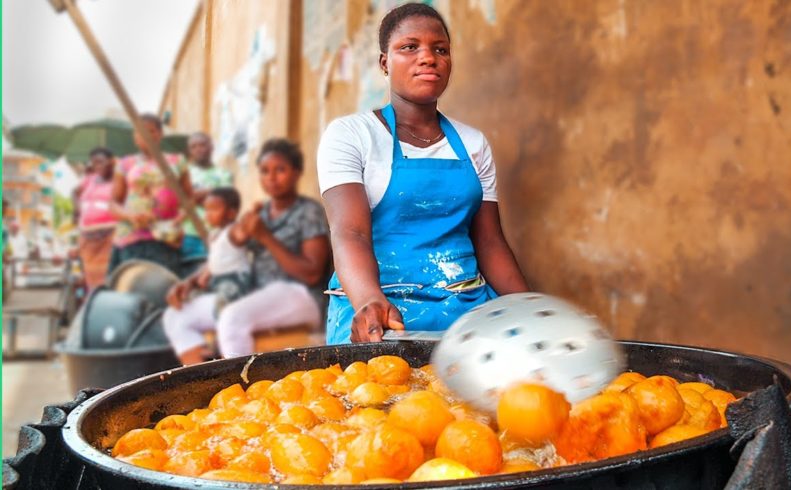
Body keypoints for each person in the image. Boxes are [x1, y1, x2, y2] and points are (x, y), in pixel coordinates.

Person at [317, 3, 528, 344]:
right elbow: (350, 233)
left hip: (466, 311)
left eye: (440, 49)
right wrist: (369, 301)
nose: (428, 57)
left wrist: (527, 307)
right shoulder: (351, 135)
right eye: (409, 47)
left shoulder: (473, 143)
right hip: (380, 308)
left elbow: (489, 240)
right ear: (385, 63)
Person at [163, 139, 331, 365]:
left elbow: (312, 273)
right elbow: (227, 255)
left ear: (296, 173)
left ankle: (238, 391)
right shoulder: (259, 214)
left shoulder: (308, 212)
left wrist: (265, 237)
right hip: (256, 293)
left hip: (301, 296)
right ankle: (197, 379)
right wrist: (192, 282)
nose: (271, 177)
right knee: (177, 315)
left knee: (232, 317)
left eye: (280, 170)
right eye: (264, 171)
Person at [108, 113, 193, 277]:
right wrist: (130, 216)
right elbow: (113, 204)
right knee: (132, 286)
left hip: (166, 236)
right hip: (132, 236)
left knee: (164, 286)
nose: (146, 135)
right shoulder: (125, 163)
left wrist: (179, 219)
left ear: (160, 134)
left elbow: (189, 198)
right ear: (134, 137)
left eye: (151, 131)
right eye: (140, 132)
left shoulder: (177, 161)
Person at [194, 186, 251, 315]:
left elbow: (244, 232)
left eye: (214, 209)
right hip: (218, 279)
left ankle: (224, 332)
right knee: (196, 298)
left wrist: (254, 212)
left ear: (231, 213)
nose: (208, 214)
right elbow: (214, 259)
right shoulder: (213, 234)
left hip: (236, 279)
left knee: (222, 306)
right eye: (206, 209)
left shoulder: (232, 231)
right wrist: (205, 275)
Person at [179, 132, 233, 266]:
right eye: (193, 146)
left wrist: (194, 195)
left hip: (215, 235)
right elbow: (180, 199)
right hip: (187, 234)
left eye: (202, 145)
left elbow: (225, 201)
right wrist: (211, 193)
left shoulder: (223, 174)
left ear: (211, 147)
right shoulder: (184, 173)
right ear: (189, 151)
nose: (198, 149)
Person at [75, 147, 117, 290]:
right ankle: (94, 306)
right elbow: (74, 193)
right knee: (91, 280)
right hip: (87, 238)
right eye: (94, 163)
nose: (97, 166)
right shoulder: (90, 179)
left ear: (112, 161)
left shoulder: (119, 180)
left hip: (110, 237)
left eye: (101, 162)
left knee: (109, 278)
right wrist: (78, 209)